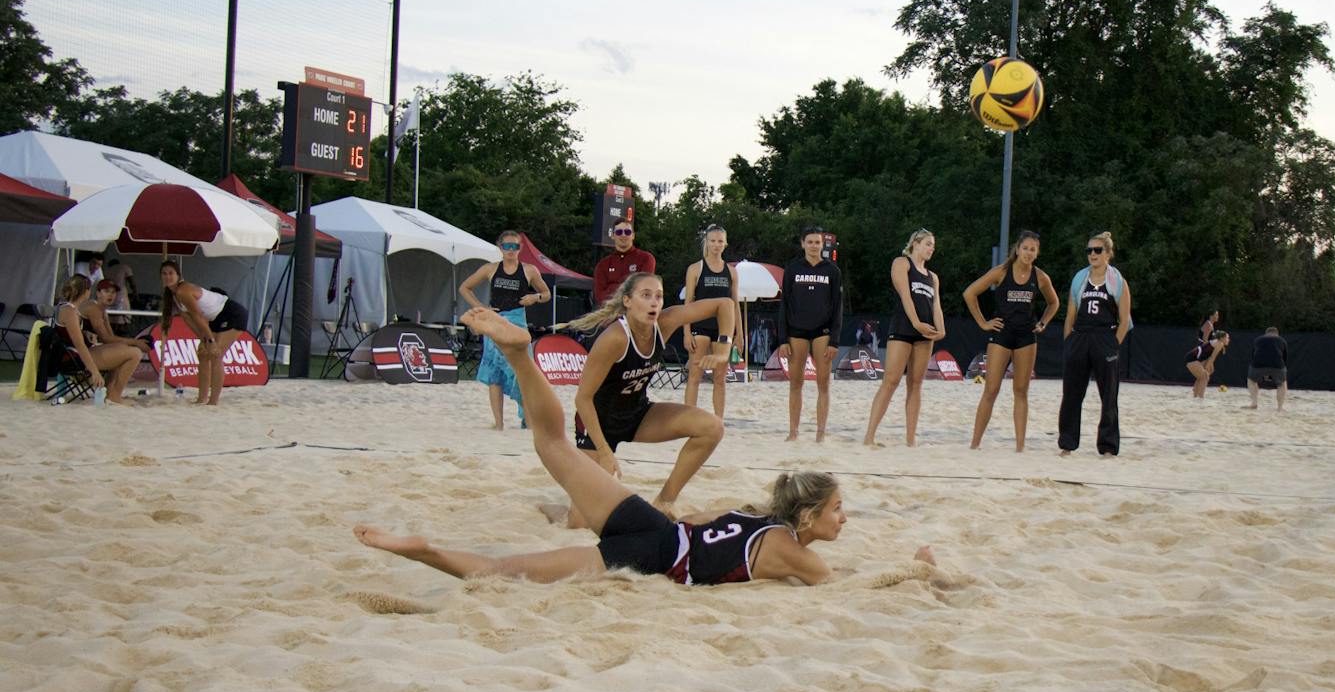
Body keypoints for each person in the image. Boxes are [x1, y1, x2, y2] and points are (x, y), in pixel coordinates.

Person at [356, 307, 936, 586]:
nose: (844, 517)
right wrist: (914, 572)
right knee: (505, 570)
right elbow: (843, 586)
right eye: (837, 509)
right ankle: (423, 550)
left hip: (650, 524)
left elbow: (697, 518)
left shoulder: (754, 516)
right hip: (647, 558)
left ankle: (519, 355)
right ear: (807, 517)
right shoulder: (793, 551)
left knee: (552, 443)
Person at [566, 272, 734, 525]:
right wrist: (604, 451)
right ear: (627, 301)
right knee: (578, 523)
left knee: (712, 427)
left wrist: (722, 351)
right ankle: (553, 510)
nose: (654, 302)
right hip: (597, 425)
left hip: (637, 414)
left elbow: (725, 304)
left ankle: (664, 502)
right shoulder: (614, 338)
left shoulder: (665, 322)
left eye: (658, 296)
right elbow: (582, 399)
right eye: (645, 295)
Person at [963, 230, 1060, 451]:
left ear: (1037, 253)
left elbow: (1054, 303)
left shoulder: (1040, 277)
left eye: (1033, 249)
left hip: (1026, 337)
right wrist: (983, 322)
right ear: (1017, 249)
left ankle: (1019, 447)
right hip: (1001, 335)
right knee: (991, 390)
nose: (1028, 252)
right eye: (1025, 248)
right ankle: (975, 444)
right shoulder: (1001, 272)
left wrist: (1043, 322)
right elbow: (970, 293)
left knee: (1021, 391)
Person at [459, 231, 551, 429]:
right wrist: (481, 308)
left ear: (520, 248)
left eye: (515, 246)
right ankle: (499, 423)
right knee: (495, 373)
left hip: (517, 322)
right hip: (495, 322)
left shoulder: (529, 270)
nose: (511, 250)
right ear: (500, 247)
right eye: (507, 246)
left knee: (523, 372)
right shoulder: (490, 268)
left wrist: (534, 298)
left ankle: (529, 419)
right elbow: (465, 288)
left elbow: (546, 293)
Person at [863, 229, 946, 446]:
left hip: (925, 333)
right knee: (890, 381)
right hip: (903, 327)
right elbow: (905, 296)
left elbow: (936, 305)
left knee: (916, 384)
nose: (931, 248)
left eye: (933, 245)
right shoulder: (902, 263)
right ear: (915, 243)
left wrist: (941, 329)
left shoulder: (933, 277)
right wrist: (916, 323)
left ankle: (910, 440)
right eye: (928, 244)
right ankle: (869, 436)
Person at [1058, 231, 1133, 457]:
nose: (1092, 254)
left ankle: (1108, 446)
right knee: (1071, 394)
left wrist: (1113, 345)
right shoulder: (1080, 279)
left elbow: (1125, 320)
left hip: (1105, 336)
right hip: (1080, 336)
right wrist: (1069, 342)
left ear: (1108, 253)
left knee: (1108, 396)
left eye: (1098, 250)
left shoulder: (1117, 281)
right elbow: (1070, 315)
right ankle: (1067, 444)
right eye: (1089, 250)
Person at [778, 227, 843, 442]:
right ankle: (793, 431)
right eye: (810, 242)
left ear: (823, 244)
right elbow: (784, 304)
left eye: (817, 242)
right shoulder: (793, 269)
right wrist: (782, 339)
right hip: (796, 331)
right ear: (803, 243)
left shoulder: (832, 271)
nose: (814, 246)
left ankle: (820, 433)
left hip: (823, 331)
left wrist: (834, 340)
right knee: (796, 383)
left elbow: (837, 307)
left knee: (823, 383)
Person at [159, 260, 248, 405]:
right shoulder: (174, 296)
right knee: (202, 354)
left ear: (178, 275)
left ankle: (213, 401)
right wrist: (203, 339)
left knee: (215, 354)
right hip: (216, 318)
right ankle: (202, 398)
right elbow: (189, 320)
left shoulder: (183, 291)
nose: (167, 276)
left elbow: (198, 316)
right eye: (164, 274)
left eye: (171, 273)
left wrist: (211, 341)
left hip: (231, 313)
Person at [52, 274, 144, 405]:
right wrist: (94, 372)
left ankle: (110, 392)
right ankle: (114, 396)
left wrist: (86, 333)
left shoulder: (68, 308)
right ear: (86, 292)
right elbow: (79, 344)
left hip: (75, 353)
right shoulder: (70, 311)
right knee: (135, 353)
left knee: (122, 348)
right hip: (75, 357)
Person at [682, 224, 742, 419]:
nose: (716, 244)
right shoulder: (695, 269)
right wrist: (686, 332)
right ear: (706, 242)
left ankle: (718, 420)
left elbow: (735, 305)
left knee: (720, 378)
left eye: (720, 241)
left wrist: (739, 334)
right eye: (713, 241)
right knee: (695, 375)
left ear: (725, 244)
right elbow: (688, 302)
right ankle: (689, 419)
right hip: (700, 326)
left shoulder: (731, 271)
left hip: (723, 329)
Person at [593, 220, 656, 305]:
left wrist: (613, 289)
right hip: (610, 310)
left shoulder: (646, 258)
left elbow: (643, 288)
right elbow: (599, 295)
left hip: (636, 309)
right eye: (619, 232)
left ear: (633, 235)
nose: (623, 235)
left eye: (627, 232)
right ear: (613, 236)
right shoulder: (603, 265)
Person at [1247, 326, 1289, 410]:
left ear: (1266, 333)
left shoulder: (1258, 339)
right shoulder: (1282, 340)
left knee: (1251, 380)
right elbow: (1285, 357)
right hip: (1277, 365)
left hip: (1258, 364)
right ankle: (1280, 407)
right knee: (1282, 384)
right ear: (1277, 334)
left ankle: (1254, 403)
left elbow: (1253, 354)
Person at [1186, 330, 1230, 398]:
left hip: (1191, 358)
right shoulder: (1219, 344)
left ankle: (1196, 395)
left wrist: (1209, 367)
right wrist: (1207, 368)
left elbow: (1209, 358)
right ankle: (1200, 397)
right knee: (1205, 377)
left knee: (1202, 377)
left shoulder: (1216, 342)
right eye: (1227, 337)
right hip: (1192, 359)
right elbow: (1212, 358)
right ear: (1222, 338)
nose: (1228, 339)